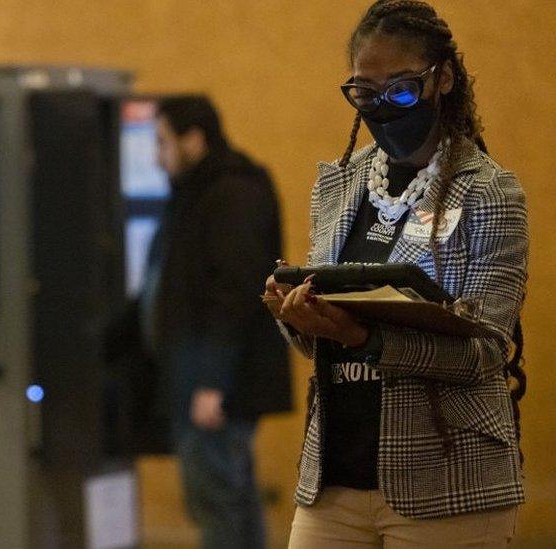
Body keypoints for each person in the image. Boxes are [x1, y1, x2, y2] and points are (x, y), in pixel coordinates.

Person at [264, 2, 528, 547]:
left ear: (444, 79)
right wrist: (298, 317)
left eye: (403, 89)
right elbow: (328, 342)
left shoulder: (490, 193)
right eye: (365, 91)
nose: (384, 106)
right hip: (334, 476)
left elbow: (486, 352)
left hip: (446, 477)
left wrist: (364, 337)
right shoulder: (338, 184)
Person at [140, 96, 291, 548]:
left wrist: (211, 383)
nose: (156, 155)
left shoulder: (232, 192)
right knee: (229, 498)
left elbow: (235, 293)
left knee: (217, 500)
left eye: (163, 142)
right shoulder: (197, 192)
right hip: (199, 377)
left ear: (193, 139)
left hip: (214, 384)